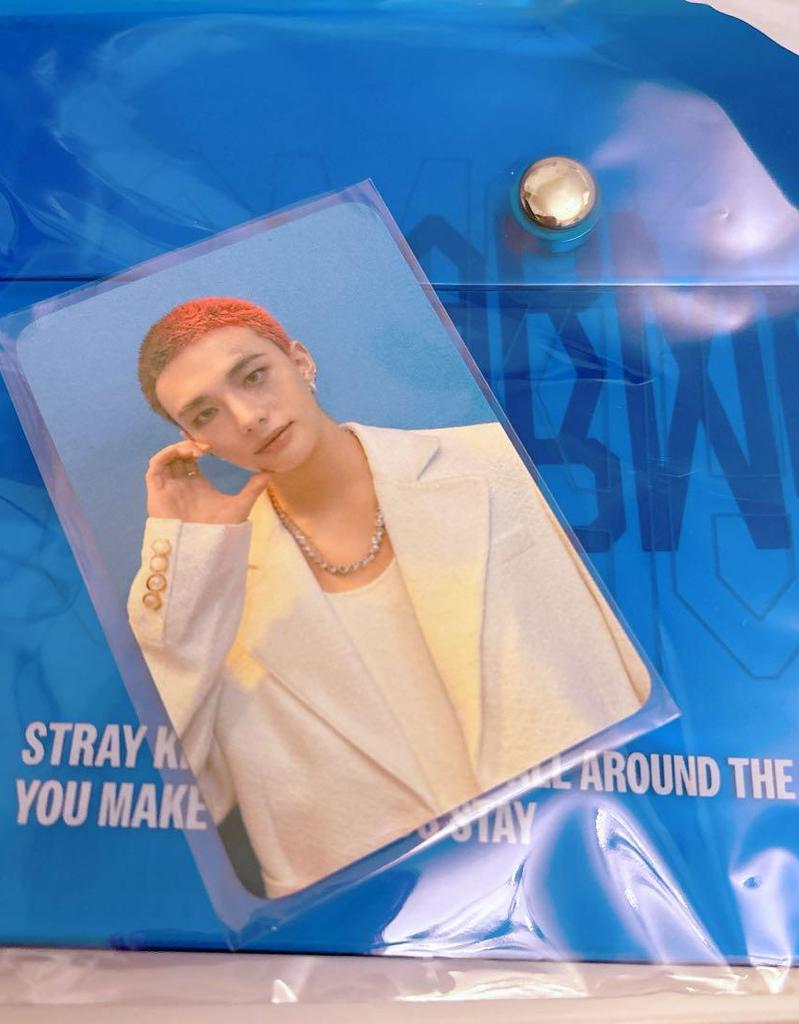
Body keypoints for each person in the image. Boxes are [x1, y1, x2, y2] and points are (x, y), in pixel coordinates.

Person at [127, 296, 650, 898]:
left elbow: (641, 651)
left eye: (253, 376)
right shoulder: (204, 590)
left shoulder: (496, 461)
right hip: (368, 919)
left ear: (301, 361)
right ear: (196, 441)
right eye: (205, 413)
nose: (247, 417)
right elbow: (172, 783)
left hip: (597, 866)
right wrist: (190, 558)